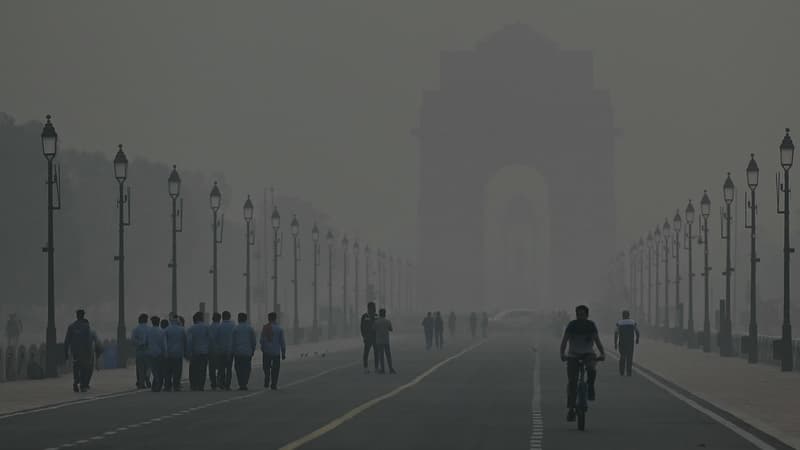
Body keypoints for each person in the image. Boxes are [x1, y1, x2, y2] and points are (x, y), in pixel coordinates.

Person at [559, 305, 606, 422]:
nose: (580, 316)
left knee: (591, 369)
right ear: (576, 315)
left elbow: (597, 341)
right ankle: (571, 408)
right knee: (572, 382)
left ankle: (590, 386)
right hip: (573, 355)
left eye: (582, 314)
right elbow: (564, 341)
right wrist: (562, 354)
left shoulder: (591, 325)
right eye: (578, 314)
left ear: (587, 315)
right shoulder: (571, 325)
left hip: (588, 354)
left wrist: (602, 354)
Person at [64, 310, 96, 392]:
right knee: (84, 367)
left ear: (77, 316)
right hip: (84, 351)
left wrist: (65, 352)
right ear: (83, 316)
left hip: (75, 351)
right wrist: (89, 351)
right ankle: (82, 385)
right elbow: (88, 340)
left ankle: (75, 381)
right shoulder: (86, 326)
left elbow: (67, 340)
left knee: (76, 366)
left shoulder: (71, 326)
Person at [260, 312, 286, 390]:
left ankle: (267, 375)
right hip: (276, 352)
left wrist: (263, 347)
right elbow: (282, 342)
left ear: (268, 318)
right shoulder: (279, 328)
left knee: (266, 367)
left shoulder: (265, 327)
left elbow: (261, 340)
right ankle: (274, 384)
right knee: (276, 369)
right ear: (275, 318)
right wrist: (283, 353)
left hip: (266, 351)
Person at [186, 312, 211, 391]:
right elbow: (211, 340)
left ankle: (193, 385)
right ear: (202, 319)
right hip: (204, 352)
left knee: (193, 370)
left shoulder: (191, 329)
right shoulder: (207, 328)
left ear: (195, 320)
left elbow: (189, 342)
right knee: (202, 370)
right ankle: (201, 386)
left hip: (194, 353)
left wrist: (188, 353)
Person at [232, 313, 256, 390]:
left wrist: (231, 351)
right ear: (246, 319)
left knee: (238, 368)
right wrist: (253, 350)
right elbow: (253, 341)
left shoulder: (235, 329)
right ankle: (244, 383)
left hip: (238, 352)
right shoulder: (250, 328)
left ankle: (241, 383)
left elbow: (232, 342)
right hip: (247, 352)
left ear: (238, 319)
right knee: (247, 368)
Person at [164, 313, 187, 392]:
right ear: (177, 320)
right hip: (178, 353)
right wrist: (186, 352)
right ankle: (176, 386)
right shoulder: (182, 329)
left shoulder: (167, 329)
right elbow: (185, 341)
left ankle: (167, 386)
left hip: (169, 353)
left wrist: (165, 352)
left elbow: (164, 342)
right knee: (177, 371)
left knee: (168, 371)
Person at [614, 310, 640, 377]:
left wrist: (615, 343)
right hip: (630, 342)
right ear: (629, 315)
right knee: (629, 357)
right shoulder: (633, 322)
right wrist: (637, 339)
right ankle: (629, 372)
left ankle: (621, 371)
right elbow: (637, 331)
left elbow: (616, 333)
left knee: (622, 356)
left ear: (622, 316)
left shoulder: (619, 323)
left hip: (622, 342)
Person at [145, 315, 166, 392]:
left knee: (153, 369)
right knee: (159, 370)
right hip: (159, 353)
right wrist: (165, 352)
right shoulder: (161, 331)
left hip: (150, 353)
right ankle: (157, 383)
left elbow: (146, 342)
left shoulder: (148, 331)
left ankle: (154, 381)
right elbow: (163, 344)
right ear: (158, 322)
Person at [373, 308, 396, 374]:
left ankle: (382, 369)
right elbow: (391, 329)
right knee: (388, 355)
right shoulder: (387, 321)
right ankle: (390, 368)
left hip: (379, 340)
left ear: (379, 314)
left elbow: (373, 329)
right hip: (386, 340)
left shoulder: (376, 321)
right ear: (385, 314)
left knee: (381, 355)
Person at [131, 313, 151, 389]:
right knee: (148, 367)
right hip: (148, 351)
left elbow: (132, 340)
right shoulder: (150, 329)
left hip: (139, 351)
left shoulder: (135, 329)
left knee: (140, 368)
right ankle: (148, 378)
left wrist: (139, 343)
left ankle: (141, 383)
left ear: (139, 320)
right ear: (146, 320)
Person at [217, 311, 235, 390]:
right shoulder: (233, 326)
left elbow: (216, 339)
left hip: (221, 350)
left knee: (221, 368)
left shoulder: (219, 327)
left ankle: (221, 383)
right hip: (230, 350)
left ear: (222, 317)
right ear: (229, 317)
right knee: (229, 368)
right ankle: (228, 384)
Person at [360, 302, 378, 374]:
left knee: (376, 353)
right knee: (366, 353)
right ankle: (365, 367)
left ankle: (376, 367)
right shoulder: (364, 316)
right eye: (373, 307)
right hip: (367, 337)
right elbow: (362, 327)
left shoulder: (376, 316)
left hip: (375, 337)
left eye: (374, 307)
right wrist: (363, 336)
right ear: (369, 308)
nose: (374, 309)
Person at [207, 312, 222, 390]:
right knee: (220, 367)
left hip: (211, 350)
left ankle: (213, 383)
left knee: (212, 368)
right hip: (219, 350)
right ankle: (219, 381)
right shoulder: (221, 327)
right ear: (219, 319)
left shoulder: (209, 327)